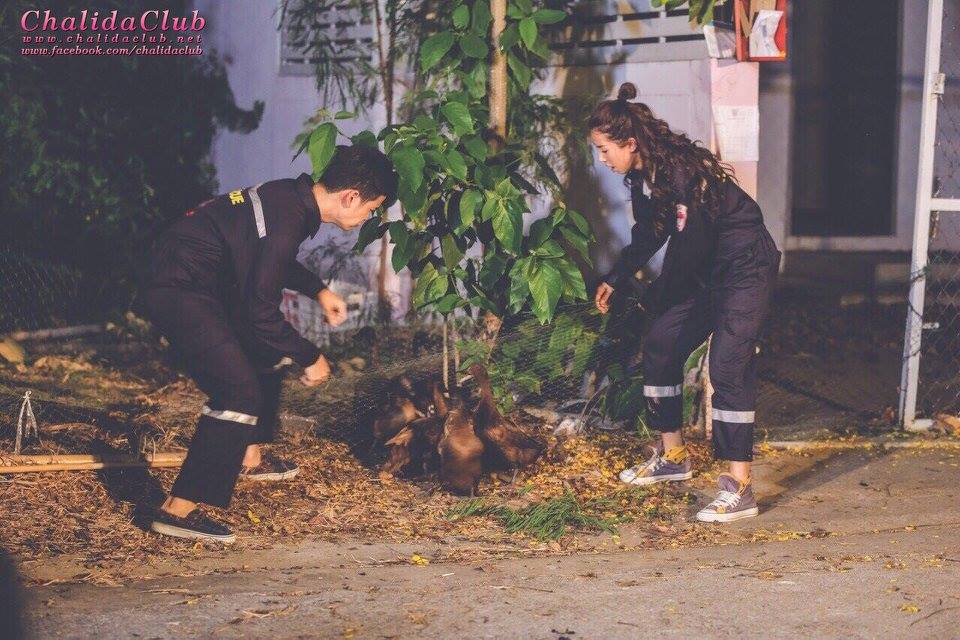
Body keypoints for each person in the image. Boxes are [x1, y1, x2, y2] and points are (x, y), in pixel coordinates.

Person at [140, 144, 398, 542]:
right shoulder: (287, 217)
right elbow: (260, 310)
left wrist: (318, 290)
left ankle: (250, 456)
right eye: (370, 209)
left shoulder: (289, 199)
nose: (367, 218)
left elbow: (268, 258)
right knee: (237, 391)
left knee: (265, 352)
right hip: (178, 287)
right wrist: (309, 355)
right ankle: (177, 510)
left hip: (192, 279)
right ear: (351, 197)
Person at [589, 83, 781, 523]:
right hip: (707, 270)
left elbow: (689, 246)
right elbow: (650, 233)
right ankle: (673, 457)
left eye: (603, 150)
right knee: (661, 343)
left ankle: (740, 488)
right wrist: (616, 278)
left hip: (744, 268)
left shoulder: (682, 171)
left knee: (727, 365)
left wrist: (658, 295)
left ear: (629, 143)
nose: (602, 160)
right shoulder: (644, 176)